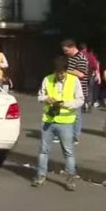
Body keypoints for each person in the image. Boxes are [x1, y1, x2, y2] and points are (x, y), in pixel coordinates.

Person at [33, 56, 84, 191]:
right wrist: (46, 99)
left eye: (62, 72)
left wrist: (67, 105)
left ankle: (70, 179)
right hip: (48, 120)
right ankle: (40, 176)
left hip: (66, 121)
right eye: (58, 72)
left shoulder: (74, 81)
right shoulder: (47, 79)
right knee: (44, 150)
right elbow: (39, 96)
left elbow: (80, 100)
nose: (60, 75)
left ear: (66, 70)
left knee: (68, 151)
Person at [61, 39, 89, 145]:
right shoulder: (69, 58)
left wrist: (66, 71)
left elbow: (81, 74)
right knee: (67, 112)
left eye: (67, 51)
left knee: (76, 115)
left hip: (79, 90)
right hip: (68, 89)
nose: (65, 53)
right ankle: (66, 134)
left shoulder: (81, 58)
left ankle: (75, 137)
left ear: (73, 47)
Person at [78, 43, 101, 110]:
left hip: (80, 75)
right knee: (89, 89)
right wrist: (97, 74)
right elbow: (95, 66)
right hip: (89, 75)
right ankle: (88, 102)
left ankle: (82, 102)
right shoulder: (90, 55)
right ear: (85, 48)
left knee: (81, 89)